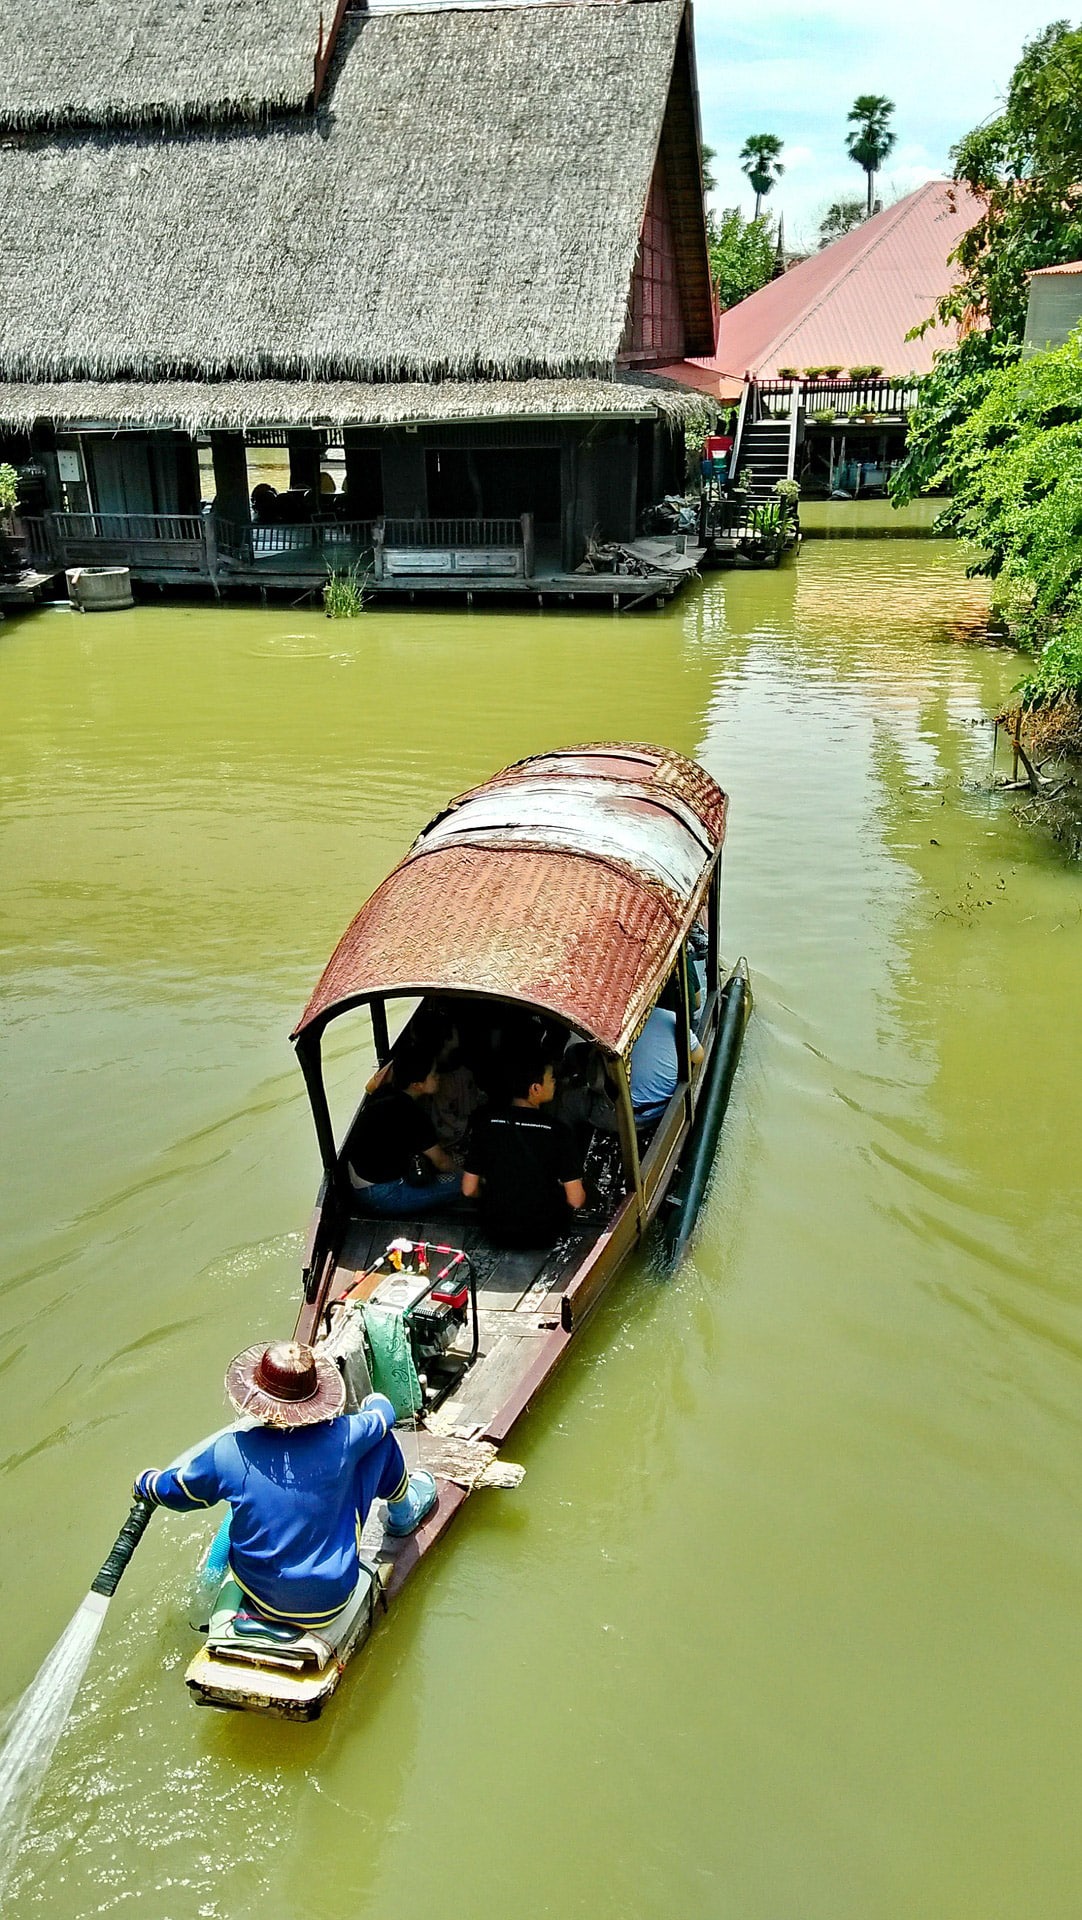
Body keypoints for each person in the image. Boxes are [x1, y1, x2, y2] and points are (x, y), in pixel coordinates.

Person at [134, 1340, 436, 1630]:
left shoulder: (229, 1451)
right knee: (381, 1442)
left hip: (262, 1597)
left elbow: (176, 1492)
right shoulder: (345, 1436)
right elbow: (385, 1415)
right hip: (332, 1598)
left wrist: (145, 1482)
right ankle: (402, 1513)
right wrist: (374, 1400)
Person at [462, 1042, 586, 1246]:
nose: (555, 1082)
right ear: (535, 1088)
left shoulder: (486, 1124)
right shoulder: (558, 1131)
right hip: (543, 1234)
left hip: (495, 1231)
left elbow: (468, 1189)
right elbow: (576, 1200)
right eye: (551, 1078)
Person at [347, 1034, 461, 1216]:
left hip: (361, 1181)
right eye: (433, 1075)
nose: (438, 1077)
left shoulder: (382, 1093)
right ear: (417, 1085)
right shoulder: (411, 1113)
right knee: (464, 1184)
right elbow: (441, 1162)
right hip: (381, 1194)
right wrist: (465, 1174)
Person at [629, 1002, 703, 1130]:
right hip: (661, 1108)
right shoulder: (670, 1018)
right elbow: (699, 1056)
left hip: (624, 1113)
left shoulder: (615, 1027)